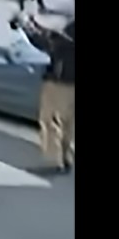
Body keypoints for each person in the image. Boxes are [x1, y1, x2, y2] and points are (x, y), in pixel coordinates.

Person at [34, 18, 75, 175]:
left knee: (50, 119)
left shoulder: (67, 28)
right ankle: (67, 156)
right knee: (69, 122)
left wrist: (32, 31)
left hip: (60, 80)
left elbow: (51, 46)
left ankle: (56, 159)